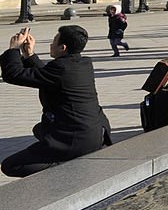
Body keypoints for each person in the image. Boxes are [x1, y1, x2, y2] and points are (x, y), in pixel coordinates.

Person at [0, 25, 112, 177]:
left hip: (76, 138)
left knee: (10, 166)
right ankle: (67, 156)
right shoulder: (82, 63)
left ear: (63, 47)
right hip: (96, 131)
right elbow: (47, 76)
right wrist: (29, 55)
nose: (51, 45)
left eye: (54, 42)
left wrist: (13, 49)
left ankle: (66, 168)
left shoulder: (61, 68)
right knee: (40, 129)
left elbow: (14, 74)